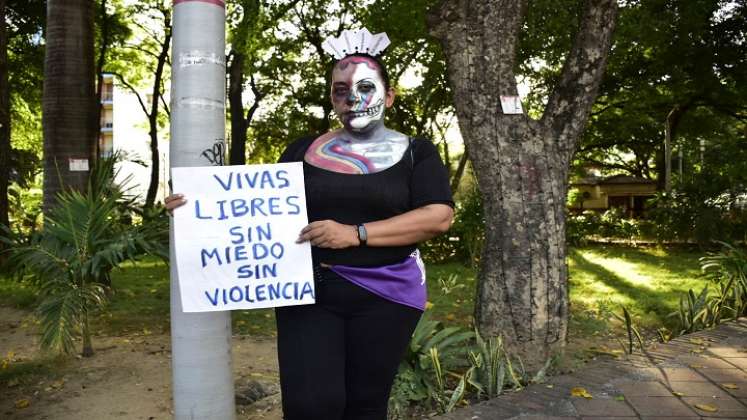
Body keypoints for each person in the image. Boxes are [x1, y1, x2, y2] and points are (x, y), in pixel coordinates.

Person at [166, 29, 454, 420]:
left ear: (388, 96)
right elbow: (260, 208)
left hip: (387, 296)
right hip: (306, 292)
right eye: (340, 90)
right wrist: (197, 204)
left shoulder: (417, 152)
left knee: (365, 406)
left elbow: (438, 216)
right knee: (309, 405)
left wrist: (355, 234)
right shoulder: (302, 150)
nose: (353, 98)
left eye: (366, 87)